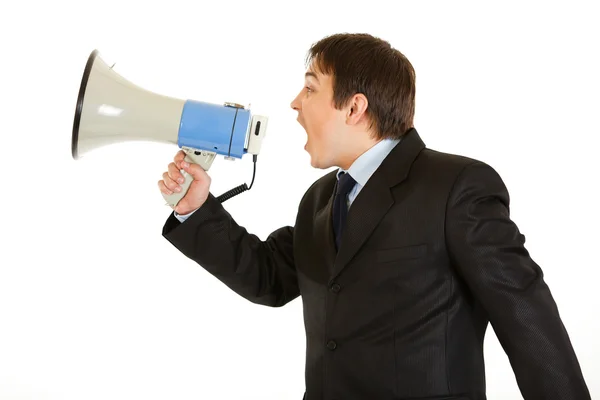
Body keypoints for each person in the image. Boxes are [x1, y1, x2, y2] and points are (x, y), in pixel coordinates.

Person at [158, 33, 591, 400]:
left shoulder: (456, 187)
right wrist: (196, 207)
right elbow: (268, 277)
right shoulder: (320, 199)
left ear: (354, 108)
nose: (294, 103)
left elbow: (526, 316)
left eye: (310, 89)